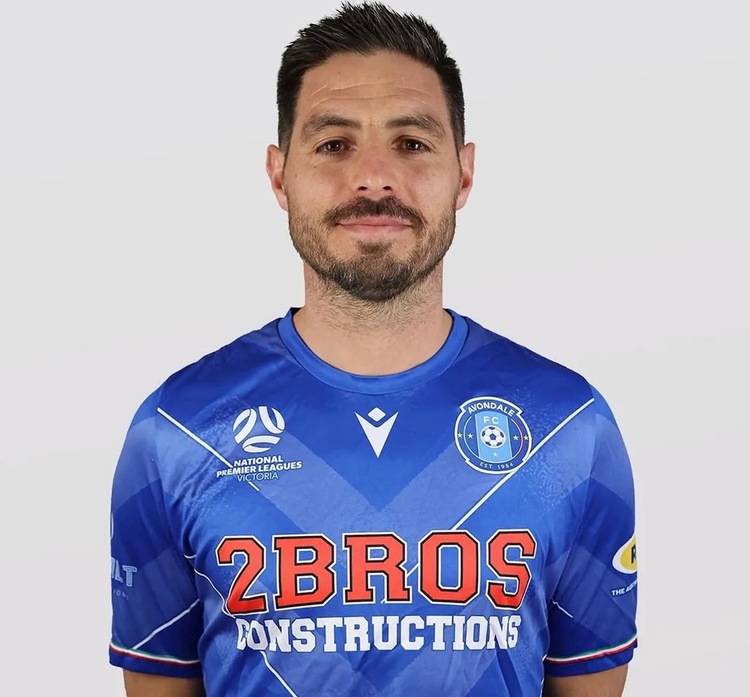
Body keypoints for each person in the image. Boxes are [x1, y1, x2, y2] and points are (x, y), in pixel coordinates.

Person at [108, 2, 638, 695]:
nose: (374, 178)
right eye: (334, 145)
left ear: (464, 174)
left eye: (411, 143)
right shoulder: (176, 431)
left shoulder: (570, 427)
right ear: (279, 175)